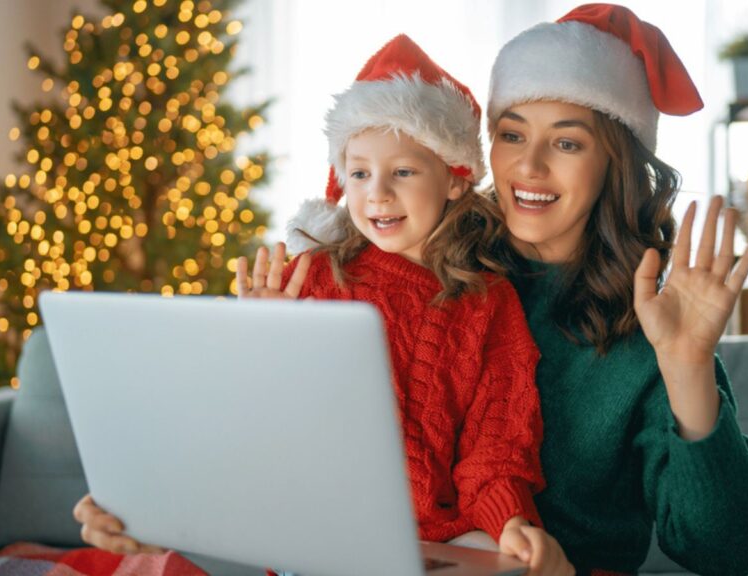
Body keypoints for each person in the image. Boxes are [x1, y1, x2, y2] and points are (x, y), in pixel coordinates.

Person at [75, 34, 573, 575]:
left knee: (499, 559)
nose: (376, 193)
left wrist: (510, 524)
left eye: (402, 172)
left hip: (433, 541)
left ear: (455, 178)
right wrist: (260, 347)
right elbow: (232, 424)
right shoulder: (306, 279)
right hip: (315, 538)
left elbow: (495, 447)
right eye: (359, 173)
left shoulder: (488, 302)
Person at [482, 4, 748, 575]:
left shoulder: (650, 328)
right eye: (511, 134)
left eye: (567, 143)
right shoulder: (445, 279)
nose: (530, 165)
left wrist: (688, 365)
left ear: (613, 164)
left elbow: (727, 549)